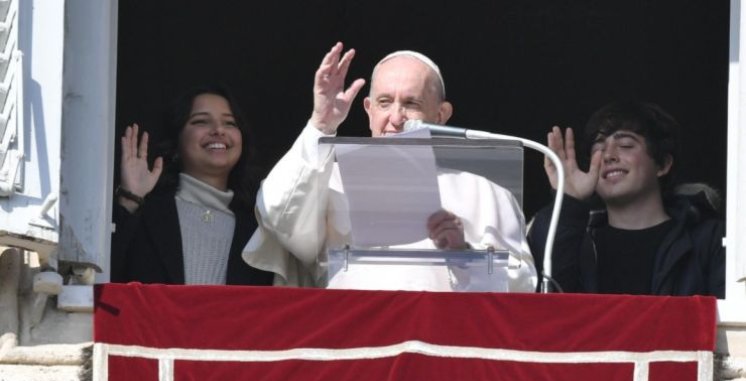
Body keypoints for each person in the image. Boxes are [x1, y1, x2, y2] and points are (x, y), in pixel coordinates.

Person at [242, 42, 537, 292]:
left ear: (441, 114)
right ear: (369, 110)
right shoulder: (327, 179)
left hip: (442, 343)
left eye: (411, 103)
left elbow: (522, 284)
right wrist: (320, 124)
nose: (396, 117)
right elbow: (278, 215)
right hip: (355, 345)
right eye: (385, 102)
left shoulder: (485, 192)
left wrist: (462, 255)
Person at [527, 101, 724, 297]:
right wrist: (569, 202)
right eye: (599, 148)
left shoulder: (708, 240)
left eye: (625, 145)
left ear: (662, 164)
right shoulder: (579, 240)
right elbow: (549, 303)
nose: (608, 156)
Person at [111, 84, 274, 286]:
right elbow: (100, 278)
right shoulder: (147, 213)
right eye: (201, 121)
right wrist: (129, 200)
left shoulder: (259, 229)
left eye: (230, 123)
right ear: (176, 141)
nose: (218, 130)